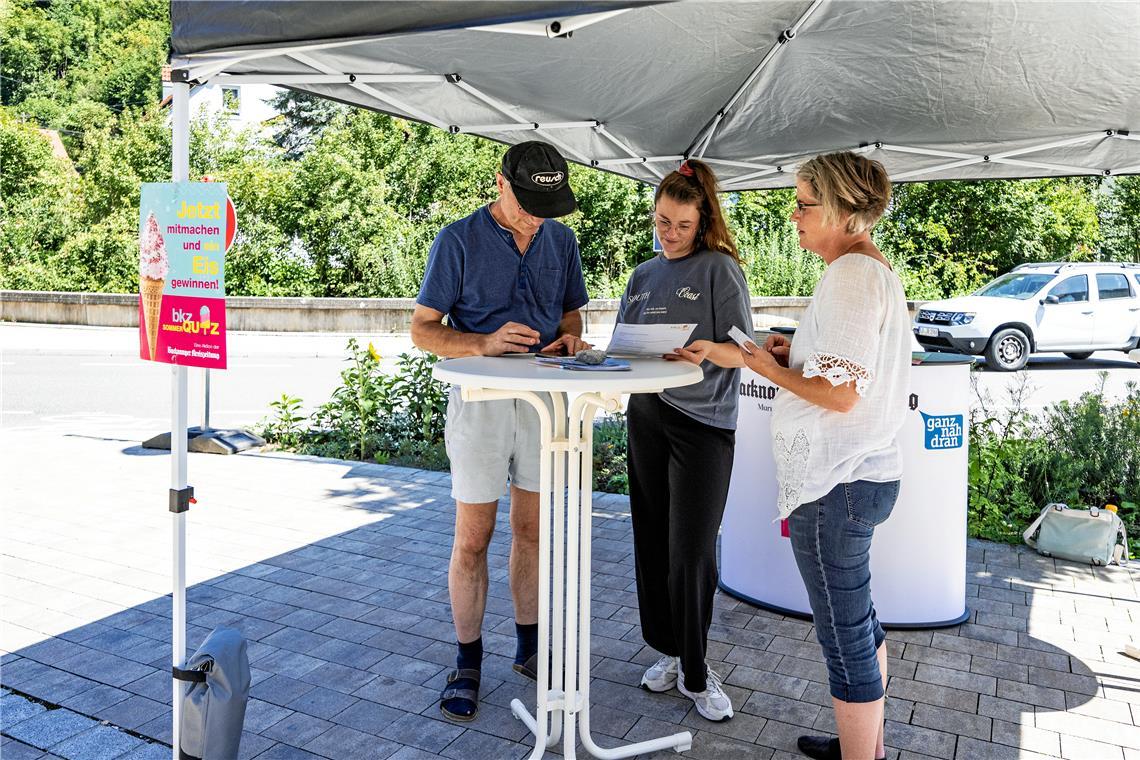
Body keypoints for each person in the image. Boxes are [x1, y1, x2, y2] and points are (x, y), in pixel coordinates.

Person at [730, 152, 910, 760]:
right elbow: (843, 371)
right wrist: (795, 355)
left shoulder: (853, 274)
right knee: (856, 621)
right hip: (855, 478)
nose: (795, 214)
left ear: (839, 210)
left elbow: (841, 394)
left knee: (843, 635)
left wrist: (767, 368)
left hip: (838, 483)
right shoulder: (864, 269)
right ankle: (867, 747)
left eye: (805, 203)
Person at [410, 140, 591, 722]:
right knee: (473, 537)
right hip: (480, 401)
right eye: (528, 204)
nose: (537, 217)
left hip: (545, 398)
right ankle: (467, 661)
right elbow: (423, 329)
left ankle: (529, 648)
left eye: (548, 207)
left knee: (532, 531)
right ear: (500, 183)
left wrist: (570, 336)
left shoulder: (561, 240)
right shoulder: (457, 240)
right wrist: (482, 343)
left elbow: (571, 311)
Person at [616, 158, 753, 722]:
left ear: (704, 222)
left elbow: (744, 351)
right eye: (661, 222)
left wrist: (708, 350)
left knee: (691, 552)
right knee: (652, 543)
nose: (669, 234)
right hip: (646, 416)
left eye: (681, 225)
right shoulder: (641, 276)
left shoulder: (720, 270)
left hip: (703, 424)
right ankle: (670, 653)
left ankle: (696, 672)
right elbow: (623, 347)